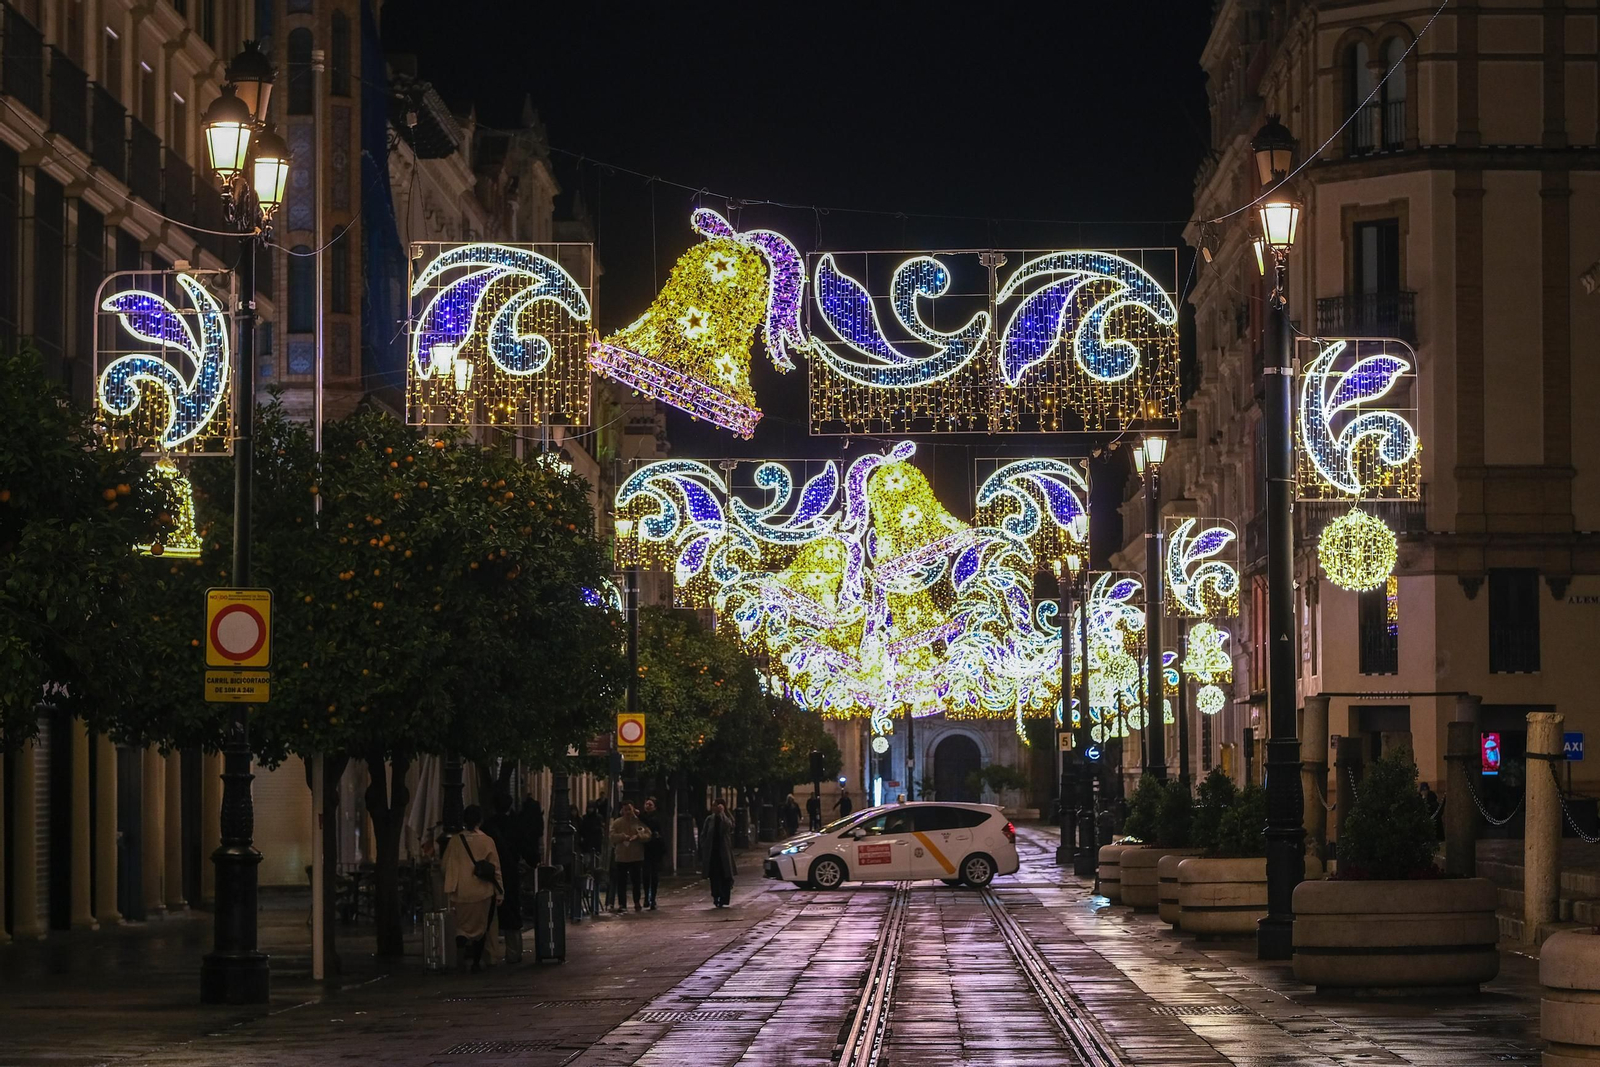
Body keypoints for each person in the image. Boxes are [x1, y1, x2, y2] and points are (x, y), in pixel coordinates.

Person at [443, 805, 503, 973]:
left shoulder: (455, 841)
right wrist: (500, 891)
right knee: (481, 928)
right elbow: (495, 868)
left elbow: (444, 865)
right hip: (482, 891)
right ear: (480, 820)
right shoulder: (487, 841)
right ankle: (476, 962)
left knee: (461, 927)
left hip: (460, 891)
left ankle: (460, 960)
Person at [481, 795, 522, 963]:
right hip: (511, 871)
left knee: (490, 912)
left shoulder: (488, 826)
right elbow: (522, 844)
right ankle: (514, 952)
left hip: (490, 873)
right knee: (512, 909)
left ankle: (490, 953)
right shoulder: (515, 824)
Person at [609, 801, 649, 913]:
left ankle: (637, 902)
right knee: (621, 881)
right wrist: (622, 837)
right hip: (622, 856)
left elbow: (647, 834)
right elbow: (611, 837)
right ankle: (622, 904)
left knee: (636, 881)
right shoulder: (617, 823)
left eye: (629, 809)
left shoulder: (639, 821)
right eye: (625, 810)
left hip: (636, 856)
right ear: (622, 811)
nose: (627, 812)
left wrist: (639, 836)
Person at [699, 800, 736, 908]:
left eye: (716, 806)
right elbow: (704, 834)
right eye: (714, 806)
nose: (714, 808)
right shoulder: (709, 820)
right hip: (712, 853)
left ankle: (724, 898)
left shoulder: (726, 818)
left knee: (725, 875)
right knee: (714, 876)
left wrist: (722, 814)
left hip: (724, 853)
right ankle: (716, 896)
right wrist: (704, 846)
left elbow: (728, 827)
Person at [640, 797, 666, 910]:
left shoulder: (656, 818)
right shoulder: (641, 817)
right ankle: (646, 897)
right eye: (647, 804)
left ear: (655, 807)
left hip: (655, 850)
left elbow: (650, 824)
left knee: (654, 875)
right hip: (644, 849)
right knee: (646, 875)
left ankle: (652, 898)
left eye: (650, 804)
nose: (648, 806)